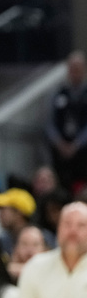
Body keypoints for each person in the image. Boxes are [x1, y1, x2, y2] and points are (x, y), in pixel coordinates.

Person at [9, 201, 87, 298]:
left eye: (81, 225)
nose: (72, 232)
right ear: (58, 228)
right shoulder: (36, 266)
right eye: (67, 224)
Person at [46, 50, 87, 196]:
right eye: (72, 69)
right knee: (61, 185)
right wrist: (59, 143)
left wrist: (77, 144)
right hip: (60, 150)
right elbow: (50, 122)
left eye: (78, 69)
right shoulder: (59, 92)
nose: (75, 73)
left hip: (82, 151)